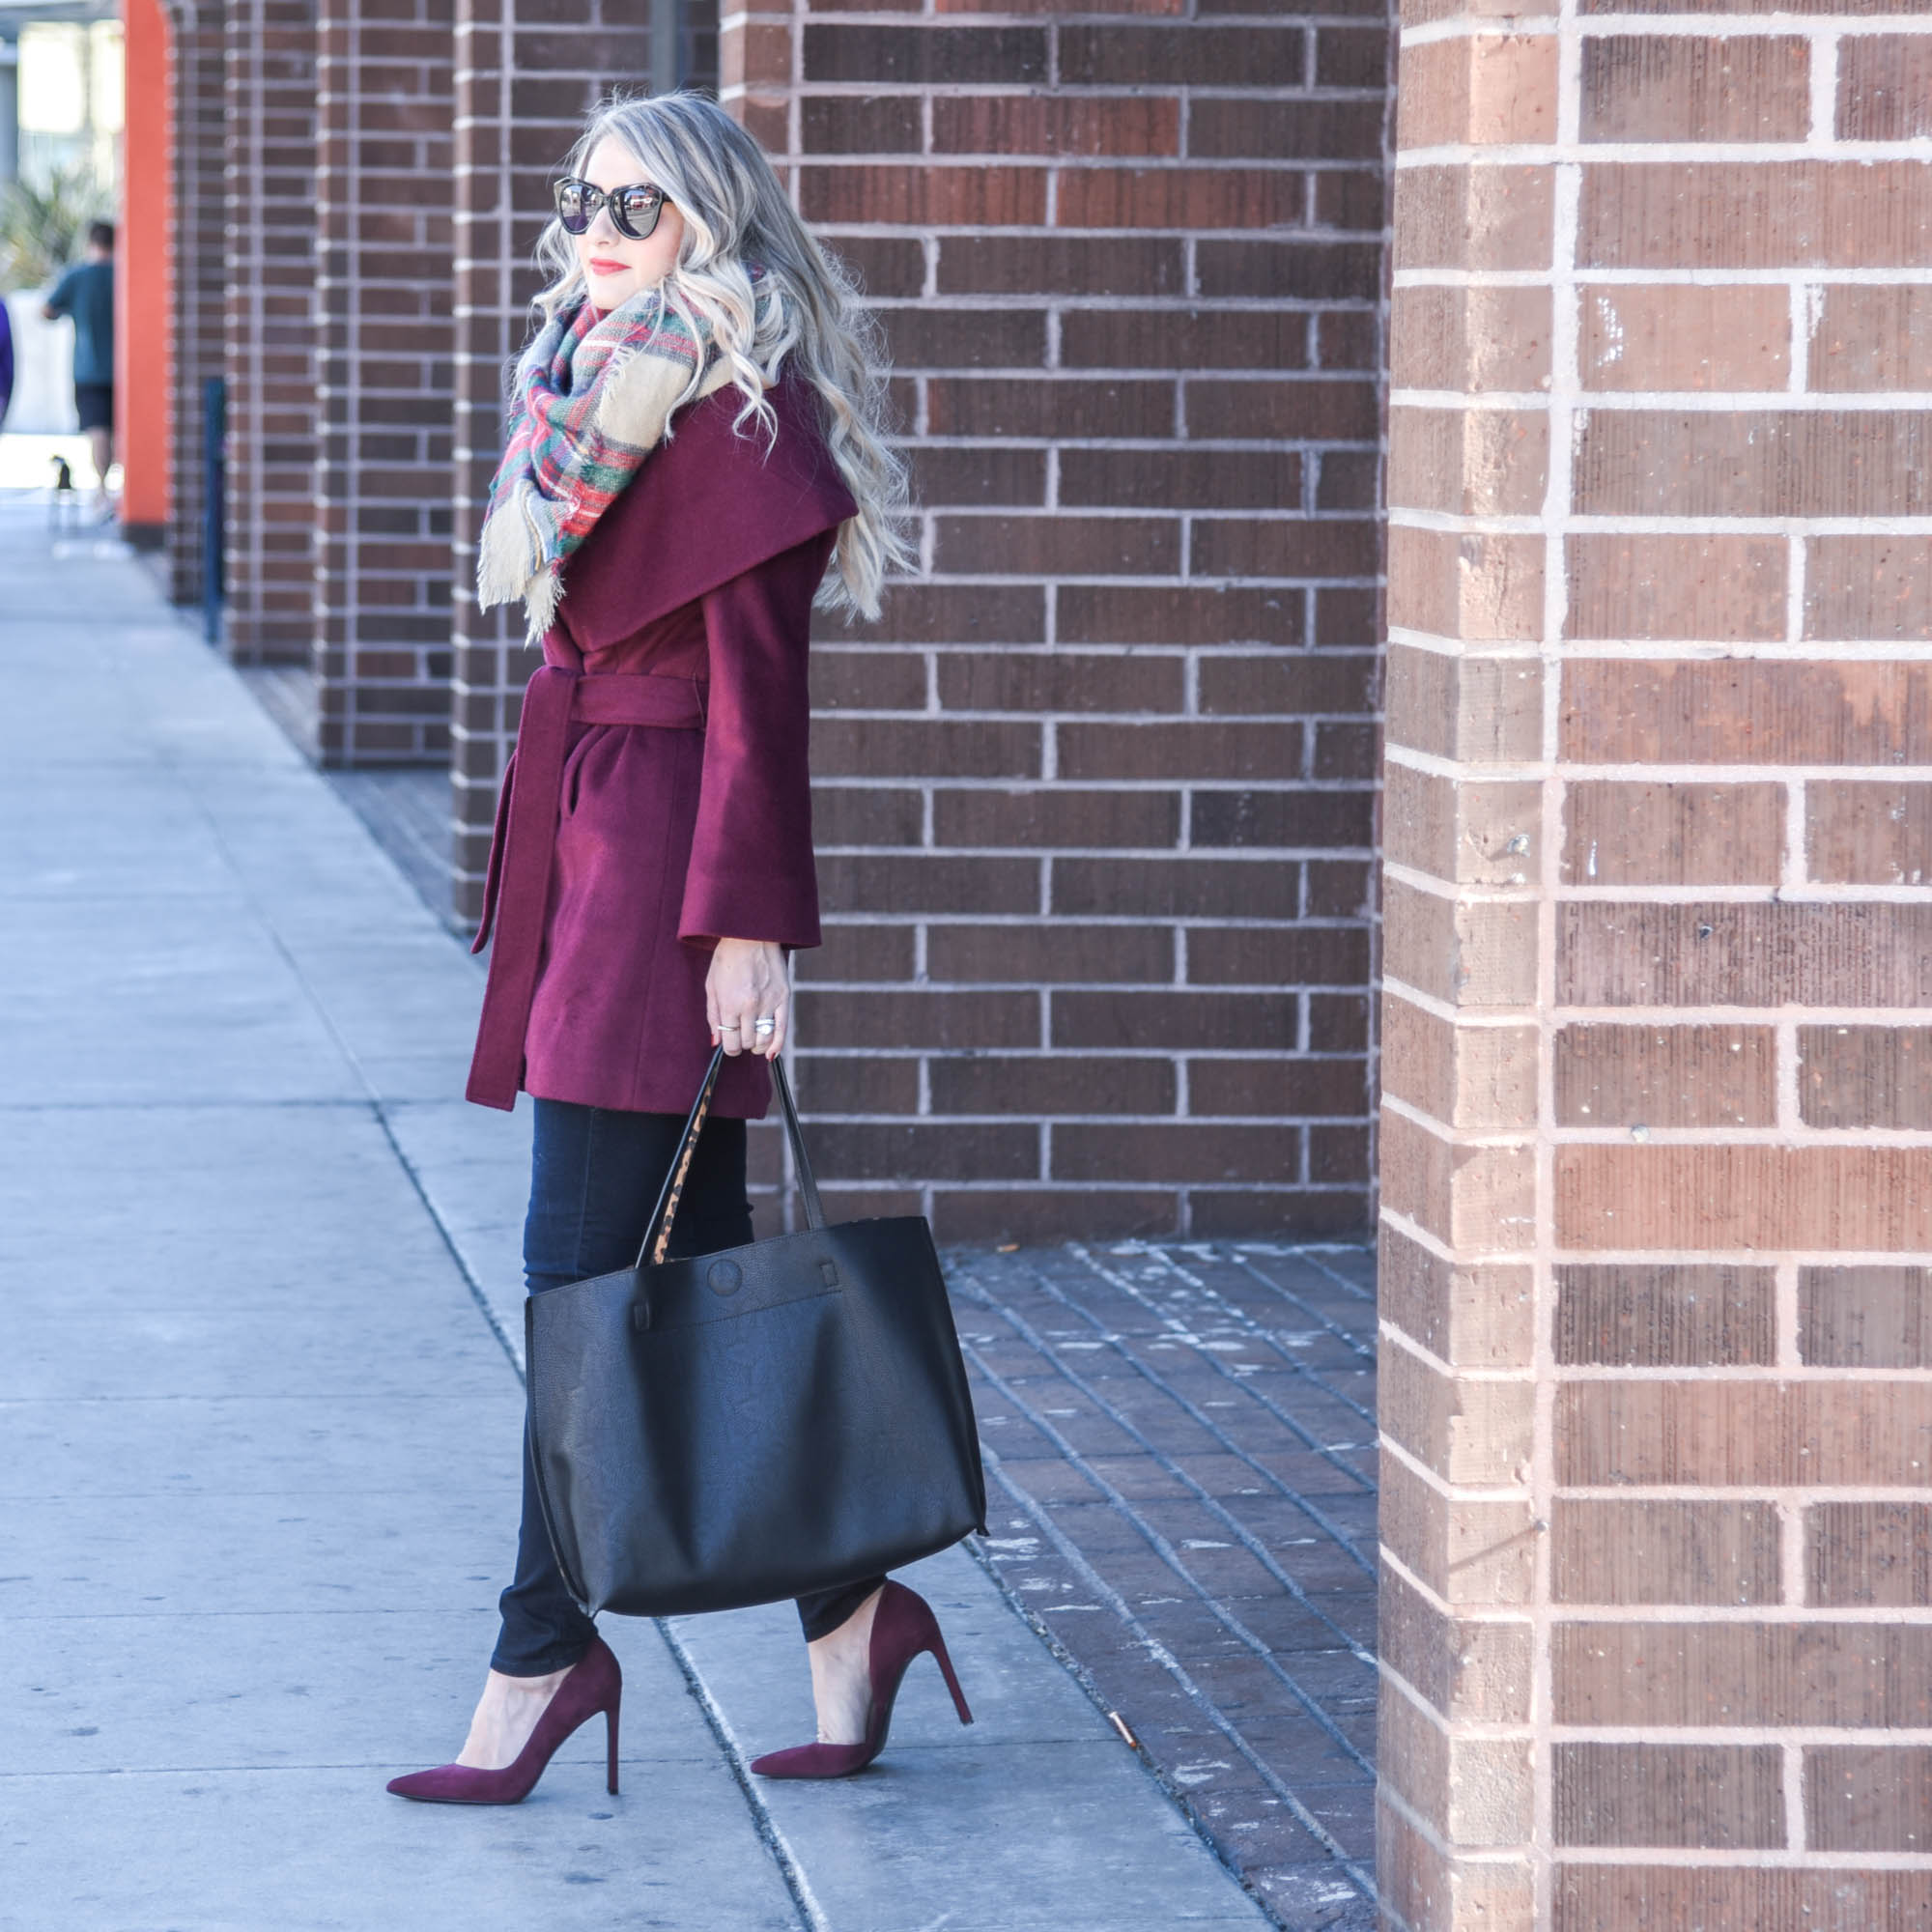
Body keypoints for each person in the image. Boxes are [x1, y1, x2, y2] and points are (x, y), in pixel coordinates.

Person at [386, 92, 969, 1808]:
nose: (591, 224)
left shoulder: (740, 420)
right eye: (579, 194)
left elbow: (758, 715)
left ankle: (538, 1654)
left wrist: (747, 933)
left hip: (663, 884)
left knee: (580, 1270)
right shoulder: (589, 382)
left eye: (631, 204)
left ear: (706, 222)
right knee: (682, 1271)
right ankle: (853, 1614)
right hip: (594, 842)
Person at [43, 221, 115, 515]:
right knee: (118, 430)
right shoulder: (122, 275)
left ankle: (102, 491)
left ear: (90, 242)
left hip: (89, 368)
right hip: (124, 369)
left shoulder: (77, 276)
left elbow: (47, 310)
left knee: (98, 431)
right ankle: (115, 491)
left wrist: (73, 310)